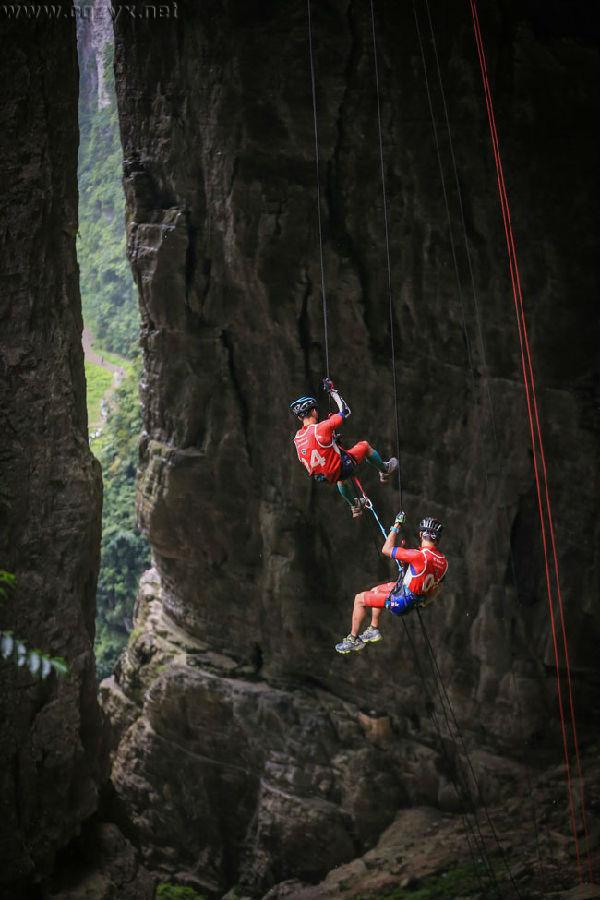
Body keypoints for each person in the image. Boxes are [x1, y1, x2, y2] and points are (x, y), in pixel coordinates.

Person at [335, 515, 448, 653]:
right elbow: (438, 586)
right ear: (438, 539)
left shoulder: (417, 555)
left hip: (401, 600)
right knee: (376, 589)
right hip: (411, 597)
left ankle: (352, 640)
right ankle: (373, 629)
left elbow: (386, 549)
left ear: (421, 534)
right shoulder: (443, 562)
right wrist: (425, 601)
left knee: (359, 599)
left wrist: (396, 526)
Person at [290, 379, 398, 518]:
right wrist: (332, 392)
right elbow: (346, 411)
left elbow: (313, 451)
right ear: (314, 411)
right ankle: (384, 470)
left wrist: (332, 442)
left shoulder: (297, 438)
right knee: (364, 446)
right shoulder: (322, 427)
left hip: (322, 477)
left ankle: (355, 506)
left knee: (340, 478)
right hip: (340, 468)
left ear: (300, 418)